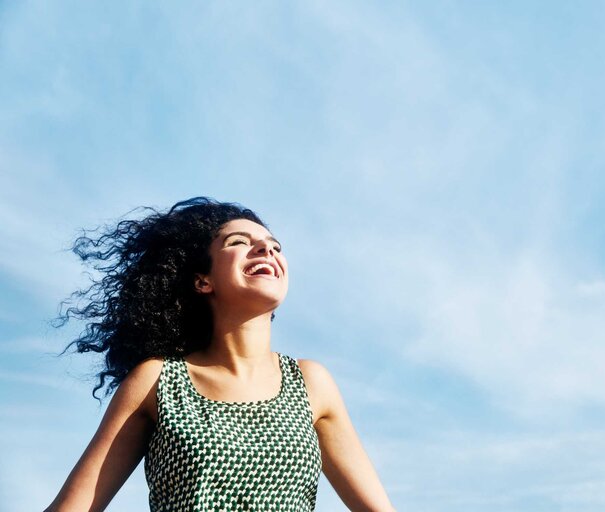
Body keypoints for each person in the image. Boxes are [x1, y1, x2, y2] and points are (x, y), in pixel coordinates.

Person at [44, 197, 396, 512]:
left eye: (274, 246)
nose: (265, 249)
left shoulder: (312, 383)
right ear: (202, 281)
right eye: (239, 242)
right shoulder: (156, 381)